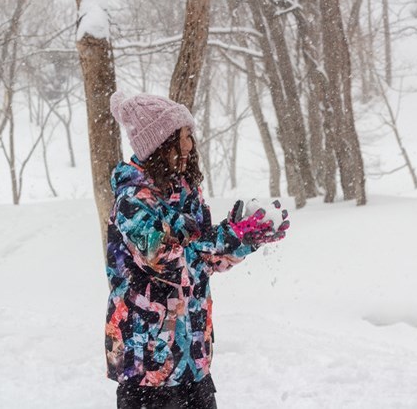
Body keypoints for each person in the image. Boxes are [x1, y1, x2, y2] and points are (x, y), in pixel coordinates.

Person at [105, 91, 289, 408]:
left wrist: (246, 238)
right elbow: (166, 260)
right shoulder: (132, 199)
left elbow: (203, 259)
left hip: (192, 357)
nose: (190, 146)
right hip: (148, 366)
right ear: (160, 143)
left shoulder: (185, 192)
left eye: (190, 136)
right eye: (183, 137)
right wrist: (231, 237)